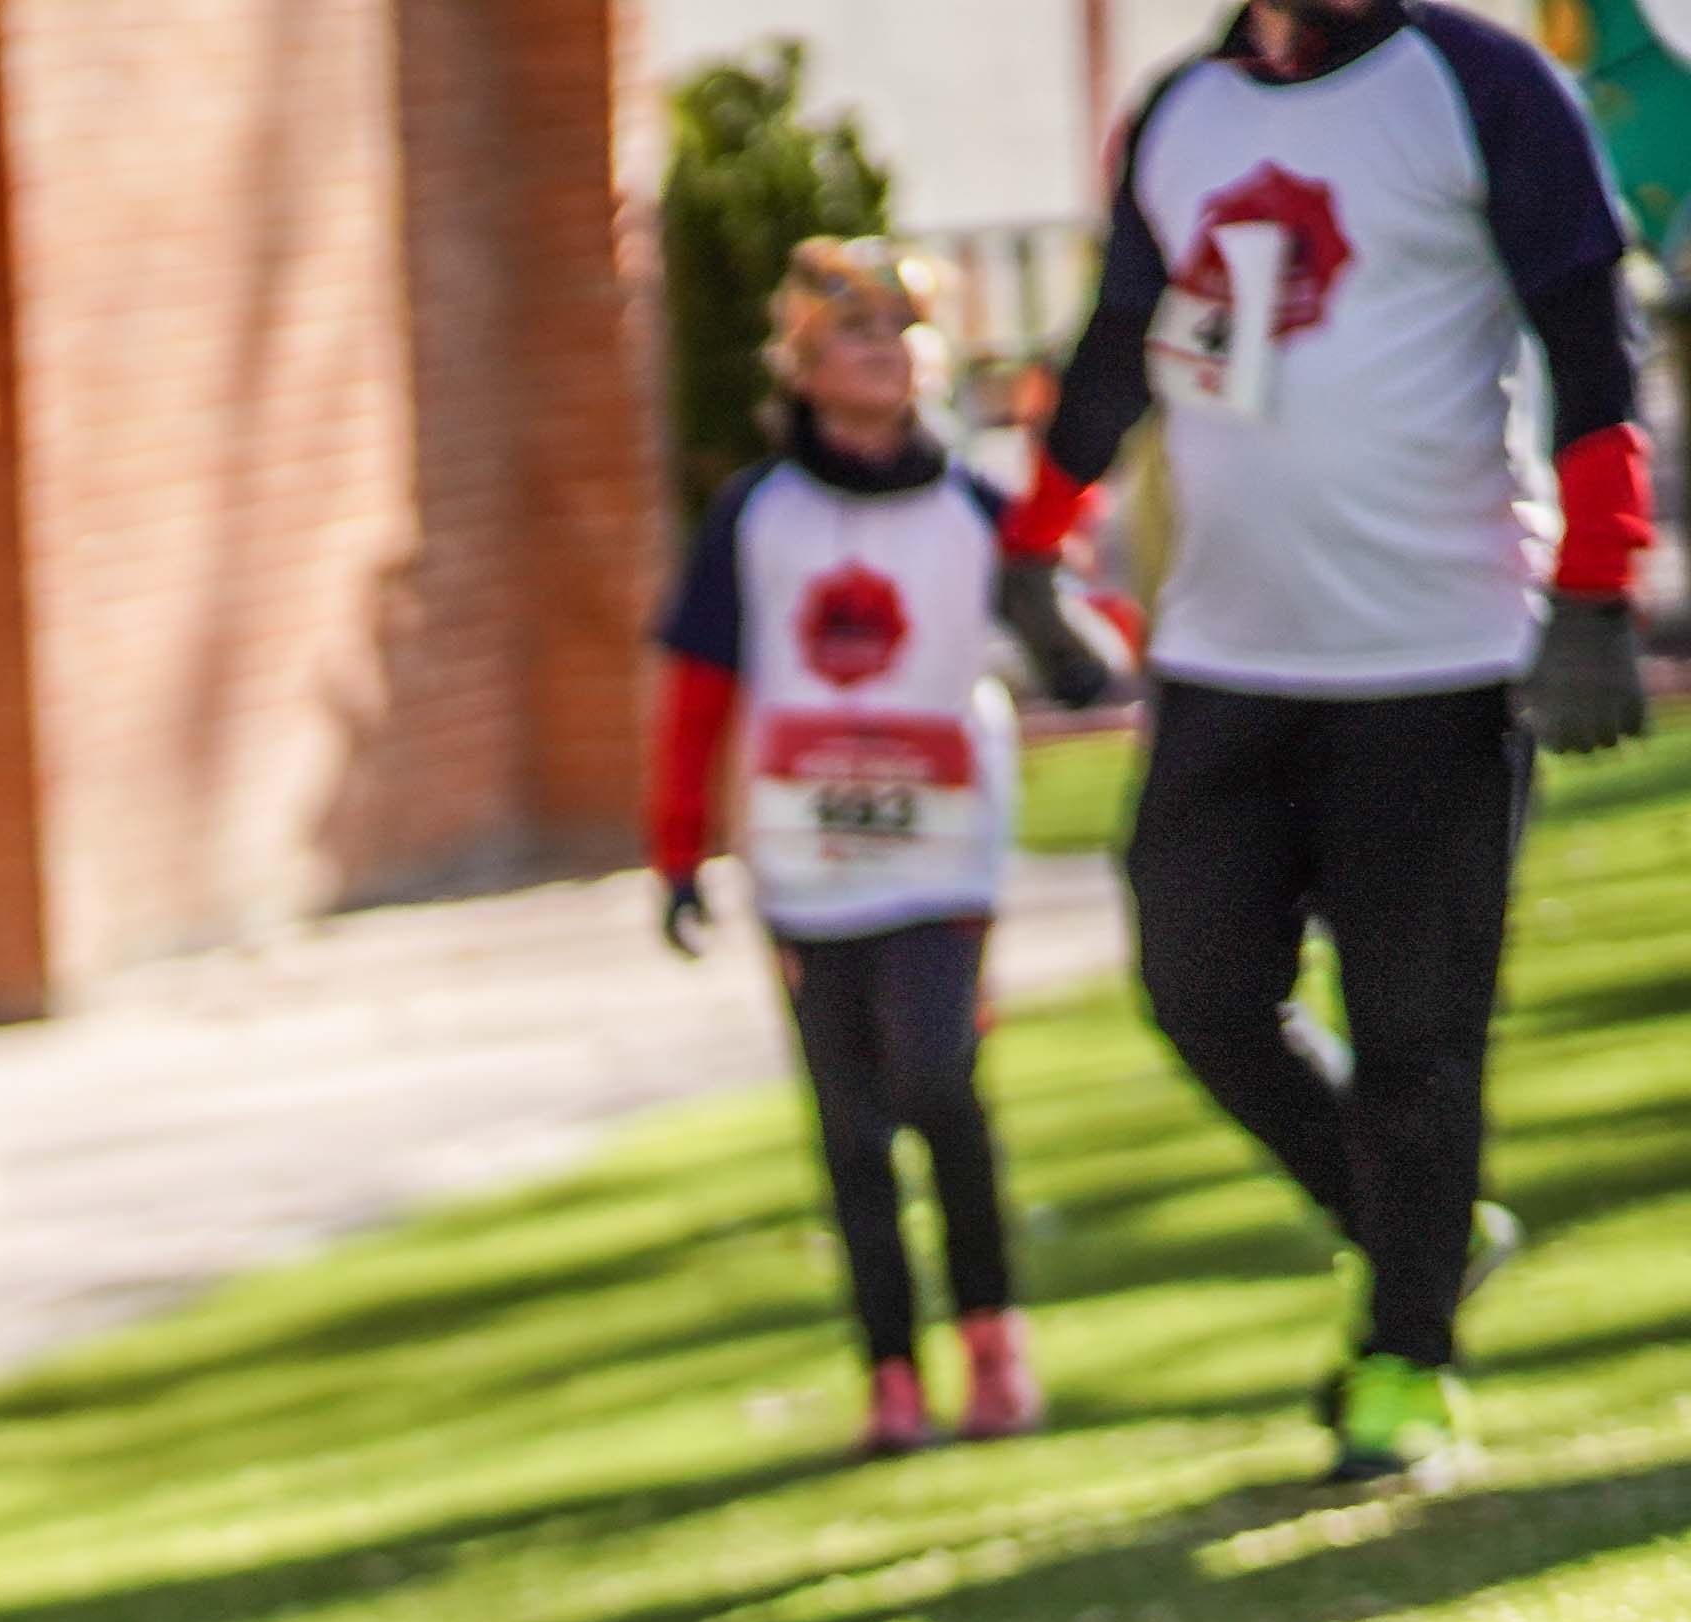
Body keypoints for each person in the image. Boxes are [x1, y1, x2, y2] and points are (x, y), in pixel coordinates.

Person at [1000, 0, 1654, 1481]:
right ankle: (1421, 1232)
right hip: (1224, 657)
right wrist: (1035, 545)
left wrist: (1597, 589)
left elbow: (1589, 333)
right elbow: (1116, 344)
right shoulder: (1181, 112)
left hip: (1439, 657)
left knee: (1419, 1039)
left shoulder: (1482, 84)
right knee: (1199, 990)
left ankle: (1404, 1364)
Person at [654, 242, 1048, 1456]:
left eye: (899, 330)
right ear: (803, 364)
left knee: (938, 1079)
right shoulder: (756, 516)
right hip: (807, 858)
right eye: (853, 333)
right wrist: (678, 850)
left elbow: (1070, 620)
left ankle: (992, 1340)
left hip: (945, 850)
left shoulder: (976, 508)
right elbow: (699, 687)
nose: (882, 352)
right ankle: (891, 1375)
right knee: (850, 1126)